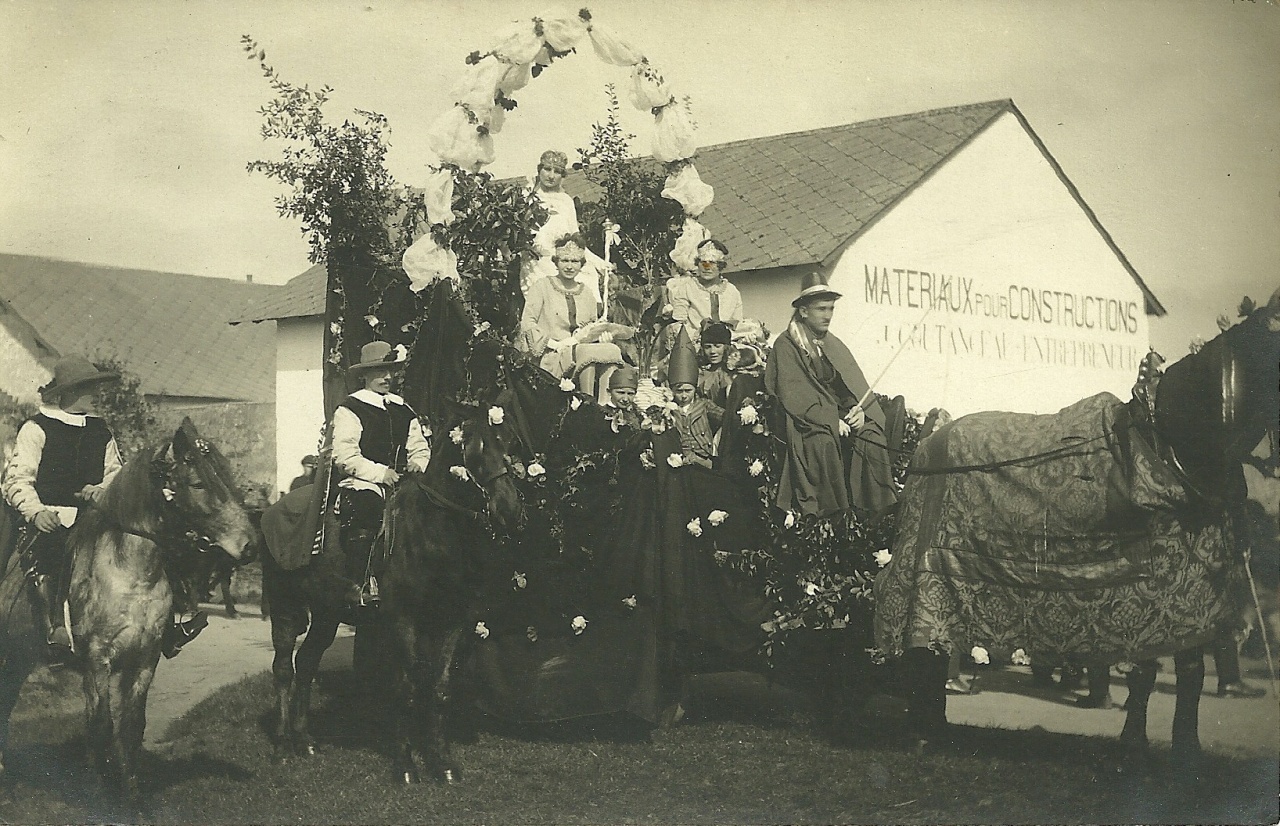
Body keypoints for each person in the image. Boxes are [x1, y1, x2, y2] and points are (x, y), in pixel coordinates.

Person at [2, 356, 209, 658]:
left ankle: (167, 626)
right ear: (69, 392)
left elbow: (116, 474)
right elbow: (18, 479)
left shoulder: (101, 430)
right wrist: (36, 511)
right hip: (53, 517)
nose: (96, 394)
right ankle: (56, 629)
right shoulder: (36, 428)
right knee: (54, 556)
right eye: (89, 388)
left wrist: (101, 490)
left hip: (96, 518)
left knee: (149, 547)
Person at [764, 272, 897, 518]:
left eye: (831, 309)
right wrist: (831, 420)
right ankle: (833, 513)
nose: (828, 316)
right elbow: (794, 394)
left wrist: (860, 412)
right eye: (821, 309)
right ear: (803, 311)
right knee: (822, 442)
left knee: (872, 435)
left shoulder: (832, 342)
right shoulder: (787, 344)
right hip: (805, 419)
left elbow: (849, 386)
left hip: (838, 413)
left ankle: (874, 511)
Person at [332, 341, 431, 606]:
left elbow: (420, 446)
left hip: (404, 482)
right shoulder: (351, 408)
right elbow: (345, 455)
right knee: (368, 511)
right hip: (366, 482)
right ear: (364, 375)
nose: (387, 377)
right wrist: (380, 473)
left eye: (390, 371)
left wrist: (418, 463)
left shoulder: (403, 408)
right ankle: (360, 583)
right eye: (379, 371)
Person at [519, 234, 620, 381]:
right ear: (556, 262)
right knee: (587, 354)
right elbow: (528, 323)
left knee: (613, 350)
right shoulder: (542, 286)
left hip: (579, 348)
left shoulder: (586, 293)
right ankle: (587, 399)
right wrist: (554, 344)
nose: (569, 266)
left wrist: (602, 338)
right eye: (564, 260)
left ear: (581, 264)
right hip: (551, 352)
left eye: (575, 261)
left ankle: (603, 402)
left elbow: (591, 328)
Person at [521, 149, 608, 296]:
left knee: (589, 275)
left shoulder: (566, 201)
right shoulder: (527, 197)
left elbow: (575, 239)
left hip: (562, 259)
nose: (551, 176)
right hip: (536, 260)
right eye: (547, 169)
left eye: (557, 172)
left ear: (562, 176)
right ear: (539, 170)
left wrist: (598, 262)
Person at [668, 328, 722, 469]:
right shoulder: (668, 409)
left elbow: (724, 416)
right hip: (679, 459)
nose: (684, 395)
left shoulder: (703, 404)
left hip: (704, 458)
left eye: (688, 391)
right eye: (679, 391)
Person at [666, 240, 743, 334]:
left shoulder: (732, 291)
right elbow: (679, 322)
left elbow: (737, 322)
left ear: (721, 266)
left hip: (728, 341)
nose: (707, 267)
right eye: (703, 262)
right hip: (695, 340)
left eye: (712, 262)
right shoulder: (687, 288)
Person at [697, 322, 734, 409]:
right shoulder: (700, 371)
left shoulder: (731, 373)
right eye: (707, 347)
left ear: (726, 347)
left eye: (717, 346)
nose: (712, 351)